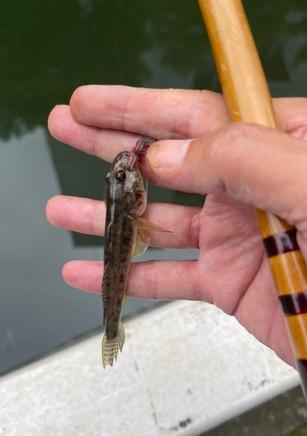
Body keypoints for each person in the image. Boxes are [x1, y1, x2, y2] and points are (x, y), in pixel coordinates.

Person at [46, 85, 307, 369]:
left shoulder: (128, 208)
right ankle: (112, 332)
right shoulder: (131, 209)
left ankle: (112, 330)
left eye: (118, 177)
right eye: (119, 177)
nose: (123, 170)